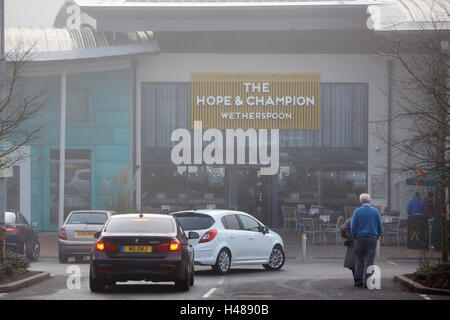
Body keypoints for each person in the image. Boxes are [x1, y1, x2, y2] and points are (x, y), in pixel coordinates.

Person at [350, 193, 382, 288]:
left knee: (359, 259)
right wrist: (378, 234)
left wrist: (354, 235)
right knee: (369, 260)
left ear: (361, 201)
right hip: (372, 238)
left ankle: (358, 281)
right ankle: (367, 282)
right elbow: (379, 226)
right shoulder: (375, 212)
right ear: (370, 201)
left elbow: (353, 226)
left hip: (360, 238)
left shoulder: (357, 211)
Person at [339, 217, 356, 285]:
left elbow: (342, 229)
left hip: (353, 240)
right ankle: (364, 280)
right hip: (366, 240)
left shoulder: (351, 219)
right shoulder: (367, 219)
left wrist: (346, 236)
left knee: (352, 260)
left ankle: (357, 280)